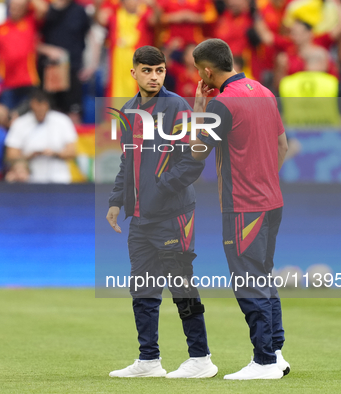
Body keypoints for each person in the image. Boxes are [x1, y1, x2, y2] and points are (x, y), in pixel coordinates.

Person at [106, 46, 217, 379]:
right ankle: (148, 360)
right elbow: (128, 161)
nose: (154, 76)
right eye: (147, 70)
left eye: (159, 71)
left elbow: (193, 160)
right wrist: (116, 200)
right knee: (142, 288)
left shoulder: (176, 107)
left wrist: (161, 188)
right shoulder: (128, 110)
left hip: (173, 214)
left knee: (181, 285)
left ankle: (201, 358)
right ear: (134, 73)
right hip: (140, 217)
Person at [190, 38, 289, 380]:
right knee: (263, 276)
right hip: (272, 202)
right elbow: (282, 144)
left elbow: (197, 152)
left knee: (249, 280)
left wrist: (199, 106)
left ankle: (263, 361)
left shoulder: (223, 105)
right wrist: (263, 180)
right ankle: (275, 353)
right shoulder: (264, 91)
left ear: (206, 71)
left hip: (243, 208)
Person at [4, 89, 78, 183]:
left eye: (42, 109)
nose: (39, 112)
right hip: (30, 179)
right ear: (31, 106)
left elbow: (72, 151)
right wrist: (29, 155)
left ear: (47, 105)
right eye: (36, 110)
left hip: (59, 178)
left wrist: (55, 153)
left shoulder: (62, 121)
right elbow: (10, 155)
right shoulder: (20, 123)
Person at [0, 0, 48, 110]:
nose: (16, 9)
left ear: (26, 8)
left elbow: (43, 9)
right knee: (8, 116)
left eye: (20, 6)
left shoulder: (30, 22)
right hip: (6, 82)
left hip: (28, 79)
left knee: (29, 117)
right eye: (13, 6)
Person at [40, 0, 91, 121]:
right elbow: (32, 41)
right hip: (51, 69)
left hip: (73, 69)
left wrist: (91, 65)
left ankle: (76, 140)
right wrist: (48, 50)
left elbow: (90, 36)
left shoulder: (79, 11)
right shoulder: (45, 11)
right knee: (52, 114)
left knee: (74, 112)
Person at [97, 0, 156, 98]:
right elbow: (101, 19)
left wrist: (155, 7)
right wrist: (98, 5)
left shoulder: (145, 13)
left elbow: (154, 21)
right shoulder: (115, 13)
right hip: (118, 63)